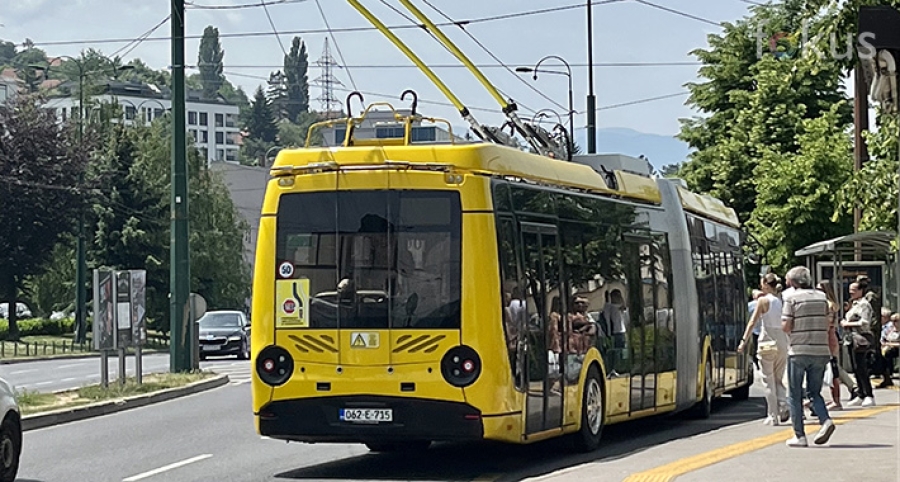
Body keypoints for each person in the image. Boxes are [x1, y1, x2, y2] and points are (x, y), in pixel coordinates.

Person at [781, 266, 835, 447]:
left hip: (798, 350)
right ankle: (825, 420)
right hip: (820, 350)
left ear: (793, 282)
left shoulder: (791, 299)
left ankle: (799, 436)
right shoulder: (822, 298)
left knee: (795, 394)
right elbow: (828, 323)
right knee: (815, 392)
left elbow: (786, 326)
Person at [739, 274, 789, 425]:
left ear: (766, 284)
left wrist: (743, 341)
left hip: (767, 341)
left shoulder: (762, 300)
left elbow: (753, 322)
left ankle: (772, 416)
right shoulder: (782, 300)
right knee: (778, 379)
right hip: (782, 341)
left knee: (768, 380)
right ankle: (784, 404)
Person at [843, 282, 876, 407]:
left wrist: (848, 324)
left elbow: (865, 322)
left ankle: (869, 394)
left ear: (861, 290)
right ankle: (861, 394)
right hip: (851, 338)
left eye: (854, 290)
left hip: (860, 338)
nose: (851, 292)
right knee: (855, 367)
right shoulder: (854, 304)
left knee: (861, 367)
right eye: (850, 290)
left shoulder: (864, 305)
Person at [816, 280, 848, 410]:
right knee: (830, 370)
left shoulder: (828, 305)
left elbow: (827, 324)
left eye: (820, 290)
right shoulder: (830, 304)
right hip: (829, 337)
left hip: (828, 339)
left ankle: (836, 401)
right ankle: (834, 399)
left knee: (832, 370)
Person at [878, 312, 899, 388]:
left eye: (896, 321)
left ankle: (889, 372)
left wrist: (889, 344)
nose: (893, 323)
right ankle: (885, 374)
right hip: (888, 346)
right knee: (880, 354)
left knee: (888, 354)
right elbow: (885, 339)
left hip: (896, 348)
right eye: (893, 321)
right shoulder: (891, 330)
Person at [747, 289, 764, 369]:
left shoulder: (749, 305)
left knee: (754, 348)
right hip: (763, 330)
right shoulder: (767, 303)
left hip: (753, 330)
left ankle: (756, 363)